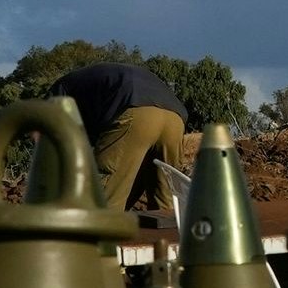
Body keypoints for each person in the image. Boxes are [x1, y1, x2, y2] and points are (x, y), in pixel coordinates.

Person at [47, 60, 197, 215]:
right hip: (174, 118)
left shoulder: (57, 94)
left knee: (100, 197)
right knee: (164, 203)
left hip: (136, 110)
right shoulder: (86, 87)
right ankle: (167, 238)